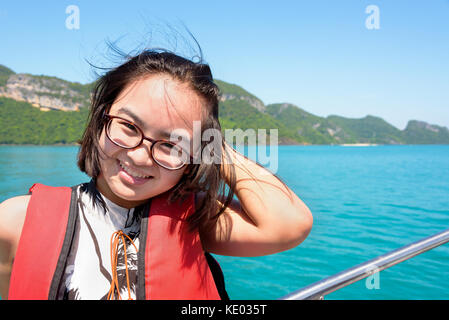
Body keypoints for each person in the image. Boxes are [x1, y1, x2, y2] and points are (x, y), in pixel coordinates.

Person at [0, 49, 313, 300]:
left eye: (171, 144)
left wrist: (212, 141)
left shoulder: (193, 219)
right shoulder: (16, 221)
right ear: (100, 120)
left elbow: (289, 224)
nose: (139, 156)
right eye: (128, 127)